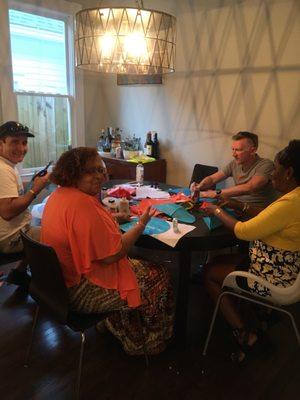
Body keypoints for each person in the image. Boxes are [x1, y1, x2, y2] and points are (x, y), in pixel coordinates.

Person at [41, 147, 174, 355]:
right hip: (81, 293)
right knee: (159, 275)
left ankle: (118, 327)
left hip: (57, 287)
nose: (100, 176)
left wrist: (110, 221)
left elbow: (84, 233)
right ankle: (144, 342)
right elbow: (113, 254)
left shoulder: (59, 195)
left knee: (135, 264)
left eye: (101, 170)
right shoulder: (83, 205)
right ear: (73, 172)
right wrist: (141, 224)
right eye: (91, 171)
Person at [201, 139, 300, 362]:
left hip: (273, 277)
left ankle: (245, 333)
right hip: (287, 268)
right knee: (224, 259)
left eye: (277, 170)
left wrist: (216, 210)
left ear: (289, 172)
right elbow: (268, 216)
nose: (274, 174)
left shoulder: (288, 203)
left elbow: (243, 231)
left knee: (209, 273)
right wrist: (237, 205)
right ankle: (262, 314)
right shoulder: (294, 198)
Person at [0, 121, 50, 284]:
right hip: (9, 237)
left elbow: (13, 195)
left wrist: (32, 184)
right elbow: (7, 212)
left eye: (24, 143)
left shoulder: (8, 165)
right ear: (1, 143)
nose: (21, 148)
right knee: (57, 235)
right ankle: (48, 286)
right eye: (14, 142)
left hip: (15, 229)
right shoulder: (3, 169)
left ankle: (19, 272)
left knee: (44, 226)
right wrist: (35, 189)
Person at [191, 131, 278, 207]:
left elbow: (250, 187)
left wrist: (214, 193)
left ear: (252, 150)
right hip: (236, 206)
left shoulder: (266, 165)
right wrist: (199, 186)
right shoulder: (235, 163)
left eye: (238, 150)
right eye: (233, 149)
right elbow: (212, 178)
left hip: (255, 212)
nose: (233, 154)